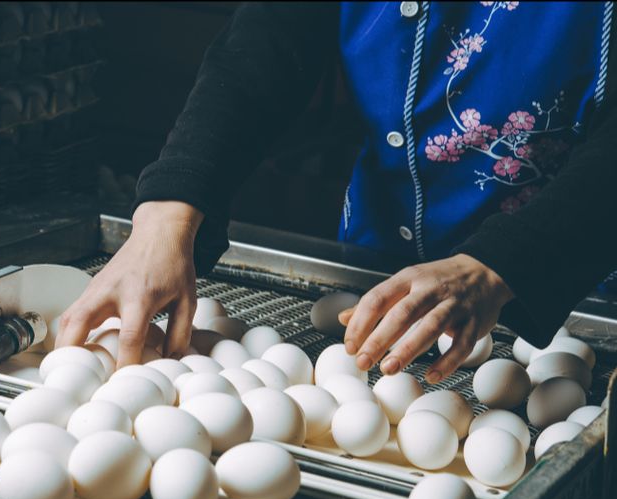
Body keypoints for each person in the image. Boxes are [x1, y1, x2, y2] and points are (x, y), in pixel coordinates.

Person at [56, 2, 617, 382]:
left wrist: (501, 264)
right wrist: (168, 213)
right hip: (380, 268)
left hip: (574, 280)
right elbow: (271, 39)